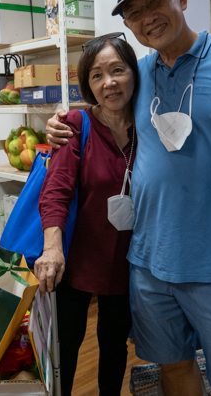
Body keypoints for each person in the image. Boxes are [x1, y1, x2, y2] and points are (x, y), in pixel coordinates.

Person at [46, 0, 211, 396]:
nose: (146, 16)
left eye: (155, 1)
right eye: (133, 12)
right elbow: (103, 109)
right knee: (173, 368)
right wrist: (60, 122)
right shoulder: (140, 74)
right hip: (149, 262)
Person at [35, 33, 140, 396]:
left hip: (129, 262)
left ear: (133, 74)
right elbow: (56, 190)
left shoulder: (152, 127)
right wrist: (52, 247)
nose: (109, 82)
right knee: (65, 347)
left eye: (117, 70)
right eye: (97, 75)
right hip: (76, 261)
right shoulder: (76, 126)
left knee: (114, 348)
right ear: (88, 85)